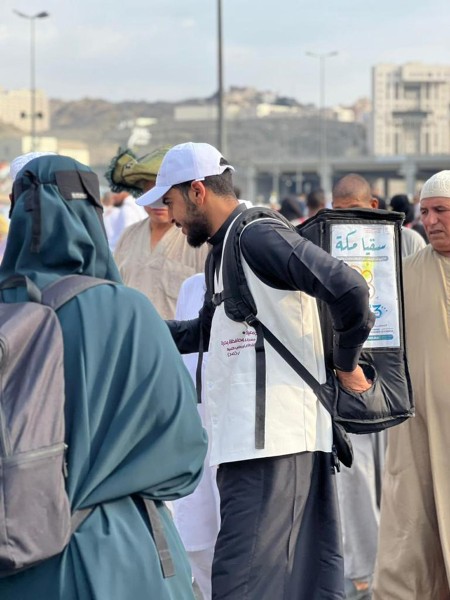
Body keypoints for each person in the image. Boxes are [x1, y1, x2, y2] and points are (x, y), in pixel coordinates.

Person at [137, 141, 375, 600]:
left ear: (198, 191)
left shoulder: (256, 236)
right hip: (261, 443)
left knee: (241, 581)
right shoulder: (224, 250)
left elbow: (350, 292)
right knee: (296, 580)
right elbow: (206, 331)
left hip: (274, 444)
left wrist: (346, 368)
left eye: (170, 201)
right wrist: (133, 330)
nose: (170, 215)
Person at [0, 153, 207, 600]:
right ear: (92, 215)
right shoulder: (127, 313)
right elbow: (185, 454)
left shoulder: (6, 316)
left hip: (15, 554)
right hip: (120, 554)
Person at [331, 173, 426, 600]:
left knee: (399, 477)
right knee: (355, 478)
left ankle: (401, 565)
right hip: (347, 378)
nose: (347, 218)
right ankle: (363, 574)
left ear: (373, 207)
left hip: (396, 380)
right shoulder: (327, 244)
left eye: (354, 210)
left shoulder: (407, 244)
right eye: (339, 211)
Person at [373, 170, 450, 600]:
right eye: (425, 212)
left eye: (441, 210)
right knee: (412, 528)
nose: (431, 220)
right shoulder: (401, 275)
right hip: (416, 425)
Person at [109, 146, 209, 319]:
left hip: (178, 343)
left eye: (165, 197)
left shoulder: (198, 240)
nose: (159, 205)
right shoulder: (128, 235)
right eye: (151, 194)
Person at [173, 273, 221, 600]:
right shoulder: (191, 287)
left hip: (241, 439)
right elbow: (183, 362)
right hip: (194, 431)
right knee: (197, 541)